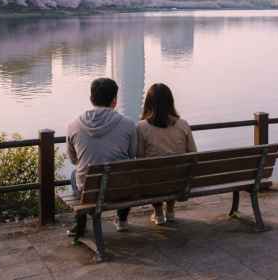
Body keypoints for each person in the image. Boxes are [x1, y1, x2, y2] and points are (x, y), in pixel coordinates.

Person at [66, 78, 137, 237]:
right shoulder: (128, 124)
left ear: (91, 99)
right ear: (114, 101)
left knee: (74, 173)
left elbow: (73, 160)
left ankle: (80, 222)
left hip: (89, 191)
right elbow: (132, 154)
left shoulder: (73, 125)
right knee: (125, 170)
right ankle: (122, 219)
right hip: (119, 190)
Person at [136, 83, 197, 225]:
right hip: (179, 182)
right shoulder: (183, 124)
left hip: (153, 184)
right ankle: (170, 210)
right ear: (171, 102)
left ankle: (158, 213)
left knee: (152, 172)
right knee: (174, 170)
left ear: (149, 103)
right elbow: (193, 153)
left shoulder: (141, 127)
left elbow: (139, 157)